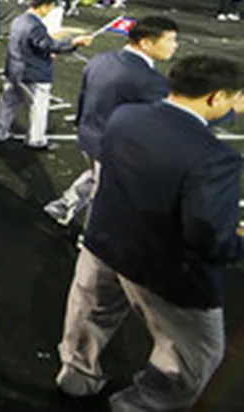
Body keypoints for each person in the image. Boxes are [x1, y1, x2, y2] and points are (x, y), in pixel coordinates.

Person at [55, 56, 244, 411]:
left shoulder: (126, 117)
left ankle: (76, 377)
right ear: (216, 97)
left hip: (106, 242)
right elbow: (208, 237)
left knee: (90, 316)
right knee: (191, 356)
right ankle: (138, 405)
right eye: (237, 97)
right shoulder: (215, 157)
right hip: (164, 270)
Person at [44, 16, 179, 226]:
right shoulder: (150, 80)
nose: (174, 46)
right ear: (146, 42)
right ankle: (91, 236)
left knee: (98, 176)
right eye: (170, 40)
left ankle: (65, 205)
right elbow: (168, 118)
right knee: (107, 194)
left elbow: (83, 94)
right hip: (114, 145)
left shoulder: (100, 59)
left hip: (89, 133)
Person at [0, 0, 93, 149]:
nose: (50, 11)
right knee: (38, 107)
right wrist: (74, 43)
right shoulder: (35, 25)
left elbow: (31, 44)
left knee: (8, 102)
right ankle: (36, 140)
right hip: (32, 73)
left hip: (14, 69)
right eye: (50, 8)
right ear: (43, 6)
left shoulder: (19, 20)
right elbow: (47, 45)